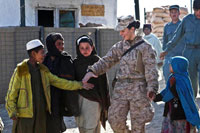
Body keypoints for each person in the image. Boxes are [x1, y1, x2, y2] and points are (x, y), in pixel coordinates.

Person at [82, 15, 159, 133]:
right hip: (121, 88)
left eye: (123, 31)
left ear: (132, 29)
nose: (120, 34)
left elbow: (151, 70)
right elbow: (107, 60)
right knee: (114, 120)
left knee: (138, 126)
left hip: (139, 89)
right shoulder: (119, 46)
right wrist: (92, 71)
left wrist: (152, 88)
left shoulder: (146, 48)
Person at [5, 39, 93, 133]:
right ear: (34, 53)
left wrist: (80, 85)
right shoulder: (21, 70)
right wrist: (12, 111)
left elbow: (60, 82)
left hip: (40, 114)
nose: (44, 55)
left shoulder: (43, 70)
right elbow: (12, 92)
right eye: (42, 53)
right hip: (25, 116)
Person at [160, 0, 200, 98]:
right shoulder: (187, 20)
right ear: (193, 9)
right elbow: (177, 36)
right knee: (191, 80)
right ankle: (192, 104)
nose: (198, 13)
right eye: (196, 10)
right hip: (189, 53)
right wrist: (166, 50)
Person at [43, 33, 80, 133]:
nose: (62, 47)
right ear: (51, 44)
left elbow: (70, 79)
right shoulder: (44, 60)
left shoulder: (66, 59)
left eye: (62, 44)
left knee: (56, 124)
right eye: (59, 44)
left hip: (60, 99)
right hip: (46, 99)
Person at [74, 35, 110, 133]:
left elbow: (103, 84)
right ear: (78, 49)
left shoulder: (97, 62)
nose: (84, 50)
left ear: (92, 47)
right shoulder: (75, 63)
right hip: (79, 99)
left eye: (87, 48)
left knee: (92, 126)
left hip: (94, 99)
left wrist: (105, 102)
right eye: (81, 48)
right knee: (82, 125)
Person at [153, 56, 200, 132]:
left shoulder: (181, 79)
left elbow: (174, 93)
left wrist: (172, 87)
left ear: (177, 66)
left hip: (180, 110)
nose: (169, 66)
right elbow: (166, 91)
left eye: (171, 65)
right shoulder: (173, 77)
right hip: (171, 109)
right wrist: (157, 97)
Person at [162, 5, 185, 82]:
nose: (174, 14)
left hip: (181, 56)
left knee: (181, 81)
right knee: (168, 80)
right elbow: (164, 41)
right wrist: (164, 53)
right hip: (169, 57)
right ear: (169, 14)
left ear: (179, 13)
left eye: (175, 12)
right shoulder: (167, 27)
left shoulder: (183, 25)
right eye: (172, 12)